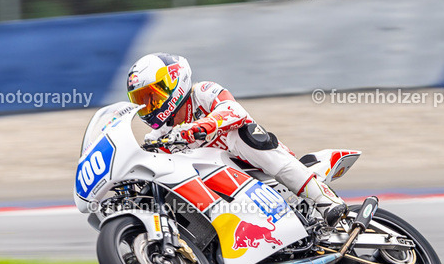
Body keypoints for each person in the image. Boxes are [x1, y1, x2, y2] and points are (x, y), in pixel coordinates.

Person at [126, 52, 347, 225]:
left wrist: (203, 125)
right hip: (222, 191)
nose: (149, 107)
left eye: (152, 97)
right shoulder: (158, 136)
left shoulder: (202, 92)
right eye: (143, 101)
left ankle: (325, 200)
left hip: (257, 167)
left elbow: (234, 109)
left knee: (241, 133)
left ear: (173, 82)